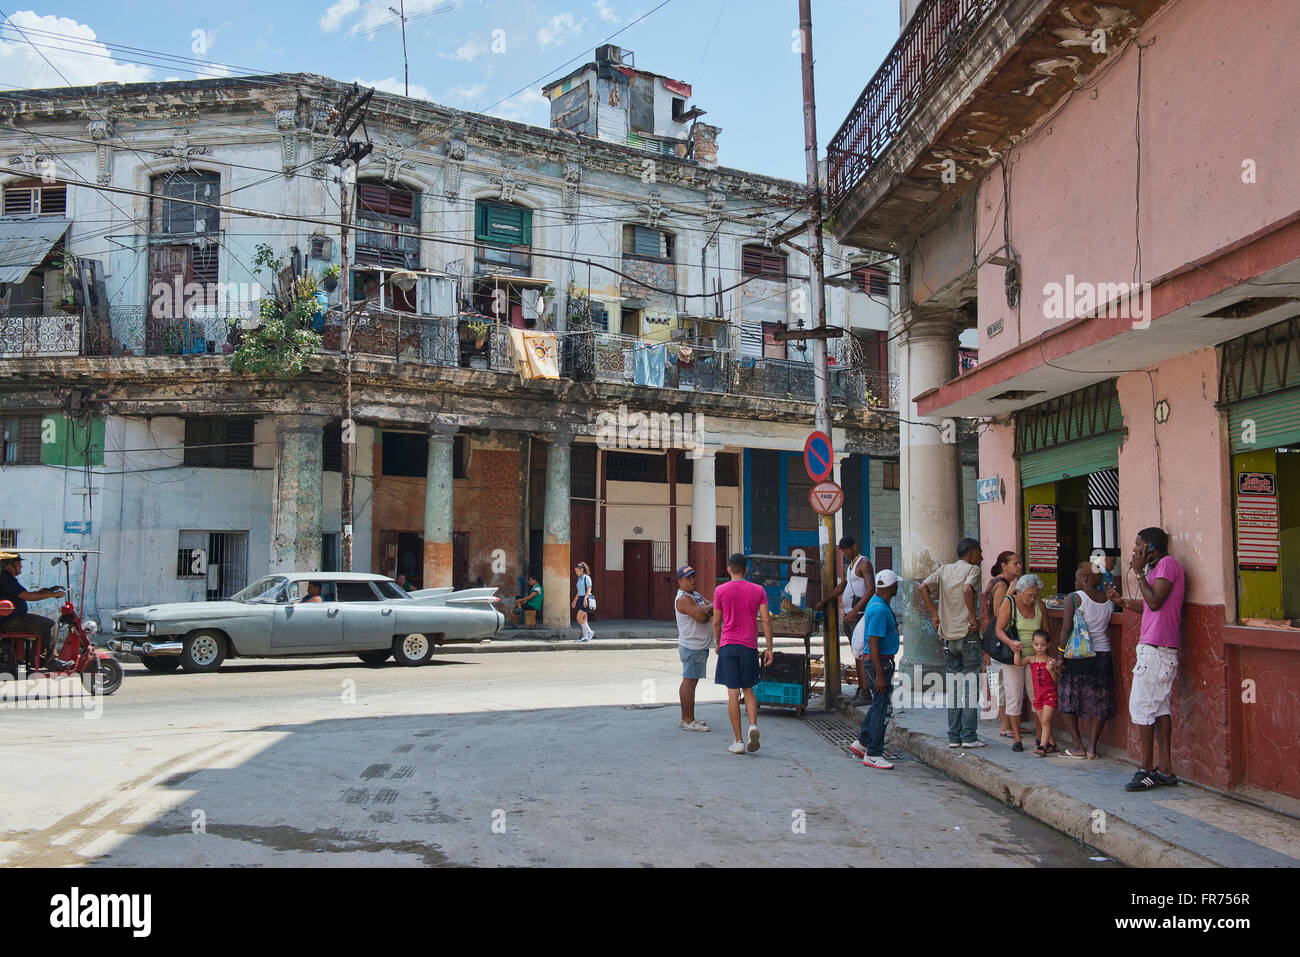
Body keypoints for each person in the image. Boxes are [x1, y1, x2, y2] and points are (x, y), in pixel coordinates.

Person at [1107, 527, 1185, 792]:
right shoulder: (1156, 570)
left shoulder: (1167, 565)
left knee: (1141, 709)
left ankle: (1146, 770)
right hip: (1156, 647)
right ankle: (1166, 771)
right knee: (1160, 709)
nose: (1134, 551)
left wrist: (1139, 572)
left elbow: (1154, 602)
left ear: (1150, 548)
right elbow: (1152, 607)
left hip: (1157, 650)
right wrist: (1124, 602)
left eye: (1138, 547)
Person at [919, 538, 984, 748]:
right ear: (972, 554)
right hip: (968, 636)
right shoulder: (973, 570)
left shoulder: (944, 569)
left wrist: (934, 614)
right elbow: (967, 590)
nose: (981, 558)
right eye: (979, 553)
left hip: (948, 637)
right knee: (970, 686)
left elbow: (922, 587)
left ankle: (954, 737)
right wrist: (973, 618)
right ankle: (969, 737)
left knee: (955, 688)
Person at [712, 553, 773, 755]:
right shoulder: (758, 590)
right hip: (749, 646)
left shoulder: (720, 590)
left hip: (729, 645)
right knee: (748, 689)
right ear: (746, 570)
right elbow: (766, 621)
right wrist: (769, 648)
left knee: (732, 693)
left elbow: (716, 621)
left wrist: (717, 643)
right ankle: (753, 725)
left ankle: (738, 741)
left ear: (729, 569)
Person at [1058, 562, 1117, 758]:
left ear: (1084, 579)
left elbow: (1066, 629)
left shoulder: (1074, 598)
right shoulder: (1109, 601)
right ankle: (1092, 747)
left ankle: (1077, 746)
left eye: (1076, 578)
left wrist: (1060, 655)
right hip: (1103, 654)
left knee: (1068, 699)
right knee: (1099, 701)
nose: (1074, 581)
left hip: (1078, 655)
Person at [847, 570, 901, 769]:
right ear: (891, 588)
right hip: (880, 664)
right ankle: (874, 752)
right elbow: (873, 641)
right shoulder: (879, 609)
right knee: (882, 708)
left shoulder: (878, 604)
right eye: (896, 585)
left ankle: (862, 742)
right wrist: (879, 674)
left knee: (878, 704)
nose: (897, 588)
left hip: (880, 662)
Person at [818, 537, 875, 706]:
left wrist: (856, 610)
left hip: (860, 615)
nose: (844, 553)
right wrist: (825, 600)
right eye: (842, 551)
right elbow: (842, 586)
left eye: (846, 550)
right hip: (851, 616)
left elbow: (871, 588)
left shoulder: (864, 564)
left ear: (854, 547)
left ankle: (866, 691)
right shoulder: (850, 567)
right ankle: (861, 689)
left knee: (861, 654)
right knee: (856, 654)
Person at [994, 573, 1047, 752]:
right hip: (1014, 657)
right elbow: (999, 629)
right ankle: (1017, 738)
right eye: (1029, 595)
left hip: (1035, 658)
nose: (1032, 599)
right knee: (1014, 696)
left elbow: (1046, 631)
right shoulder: (1009, 602)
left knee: (1037, 697)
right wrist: (1011, 643)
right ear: (1019, 591)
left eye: (1035, 595)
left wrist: (1044, 649)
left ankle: (1041, 737)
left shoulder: (1039, 605)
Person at [980, 551, 1025, 738]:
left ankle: (1008, 724)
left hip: (995, 638)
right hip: (999, 639)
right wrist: (1011, 590)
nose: (1019, 566)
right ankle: (1006, 725)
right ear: (1004, 566)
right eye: (1015, 563)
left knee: (1002, 682)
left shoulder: (997, 582)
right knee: (1003, 682)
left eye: (1020, 563)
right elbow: (999, 613)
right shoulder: (1001, 584)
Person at [0, 554, 72, 671]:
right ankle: (50, 660)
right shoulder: (6, 579)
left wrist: (43, 592)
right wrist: (52, 595)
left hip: (15, 618)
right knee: (50, 625)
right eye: (18, 563)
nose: (21, 566)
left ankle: (35, 658)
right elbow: (27, 596)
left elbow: (24, 594)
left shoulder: (8, 579)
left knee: (42, 625)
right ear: (10, 565)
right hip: (12, 620)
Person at [674, 565, 713, 732]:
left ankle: (686, 719)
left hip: (699, 645)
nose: (692, 580)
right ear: (680, 581)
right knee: (689, 681)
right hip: (692, 646)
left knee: (692, 681)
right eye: (688, 578)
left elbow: (710, 606)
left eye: (693, 577)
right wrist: (705, 609)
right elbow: (702, 617)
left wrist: (706, 608)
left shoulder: (695, 595)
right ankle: (688, 720)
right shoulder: (683, 599)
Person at [1015, 628, 1059, 756]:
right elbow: (1018, 663)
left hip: (1049, 694)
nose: (1039, 648)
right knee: (1043, 721)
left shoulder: (1051, 661)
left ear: (1048, 645)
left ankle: (1042, 746)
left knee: (1045, 720)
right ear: (1032, 644)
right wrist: (1017, 652)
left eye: (1043, 645)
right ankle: (1052, 743)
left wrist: (1051, 670)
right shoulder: (1031, 659)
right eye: (1036, 644)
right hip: (1037, 695)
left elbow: (1056, 679)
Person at [571, 561, 595, 642]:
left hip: (586, 598)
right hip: (581, 598)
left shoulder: (586, 578)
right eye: (575, 571)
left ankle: (589, 631)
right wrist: (575, 600)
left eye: (577, 571)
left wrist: (585, 599)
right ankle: (585, 637)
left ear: (582, 570)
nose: (576, 573)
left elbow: (589, 588)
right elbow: (579, 591)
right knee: (584, 619)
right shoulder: (579, 578)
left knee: (578, 618)